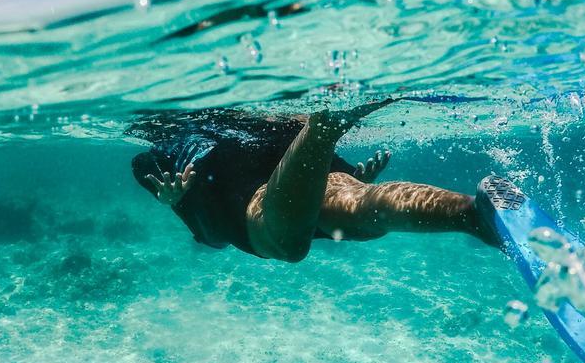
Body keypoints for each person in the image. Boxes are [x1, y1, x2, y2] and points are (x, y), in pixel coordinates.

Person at [131, 100, 497, 261]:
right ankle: (473, 214)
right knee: (361, 209)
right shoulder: (160, 152)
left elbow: (211, 238)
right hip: (294, 158)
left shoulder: (163, 154)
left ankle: (322, 129)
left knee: (288, 247)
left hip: (245, 193)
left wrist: (177, 204)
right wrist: (352, 177)